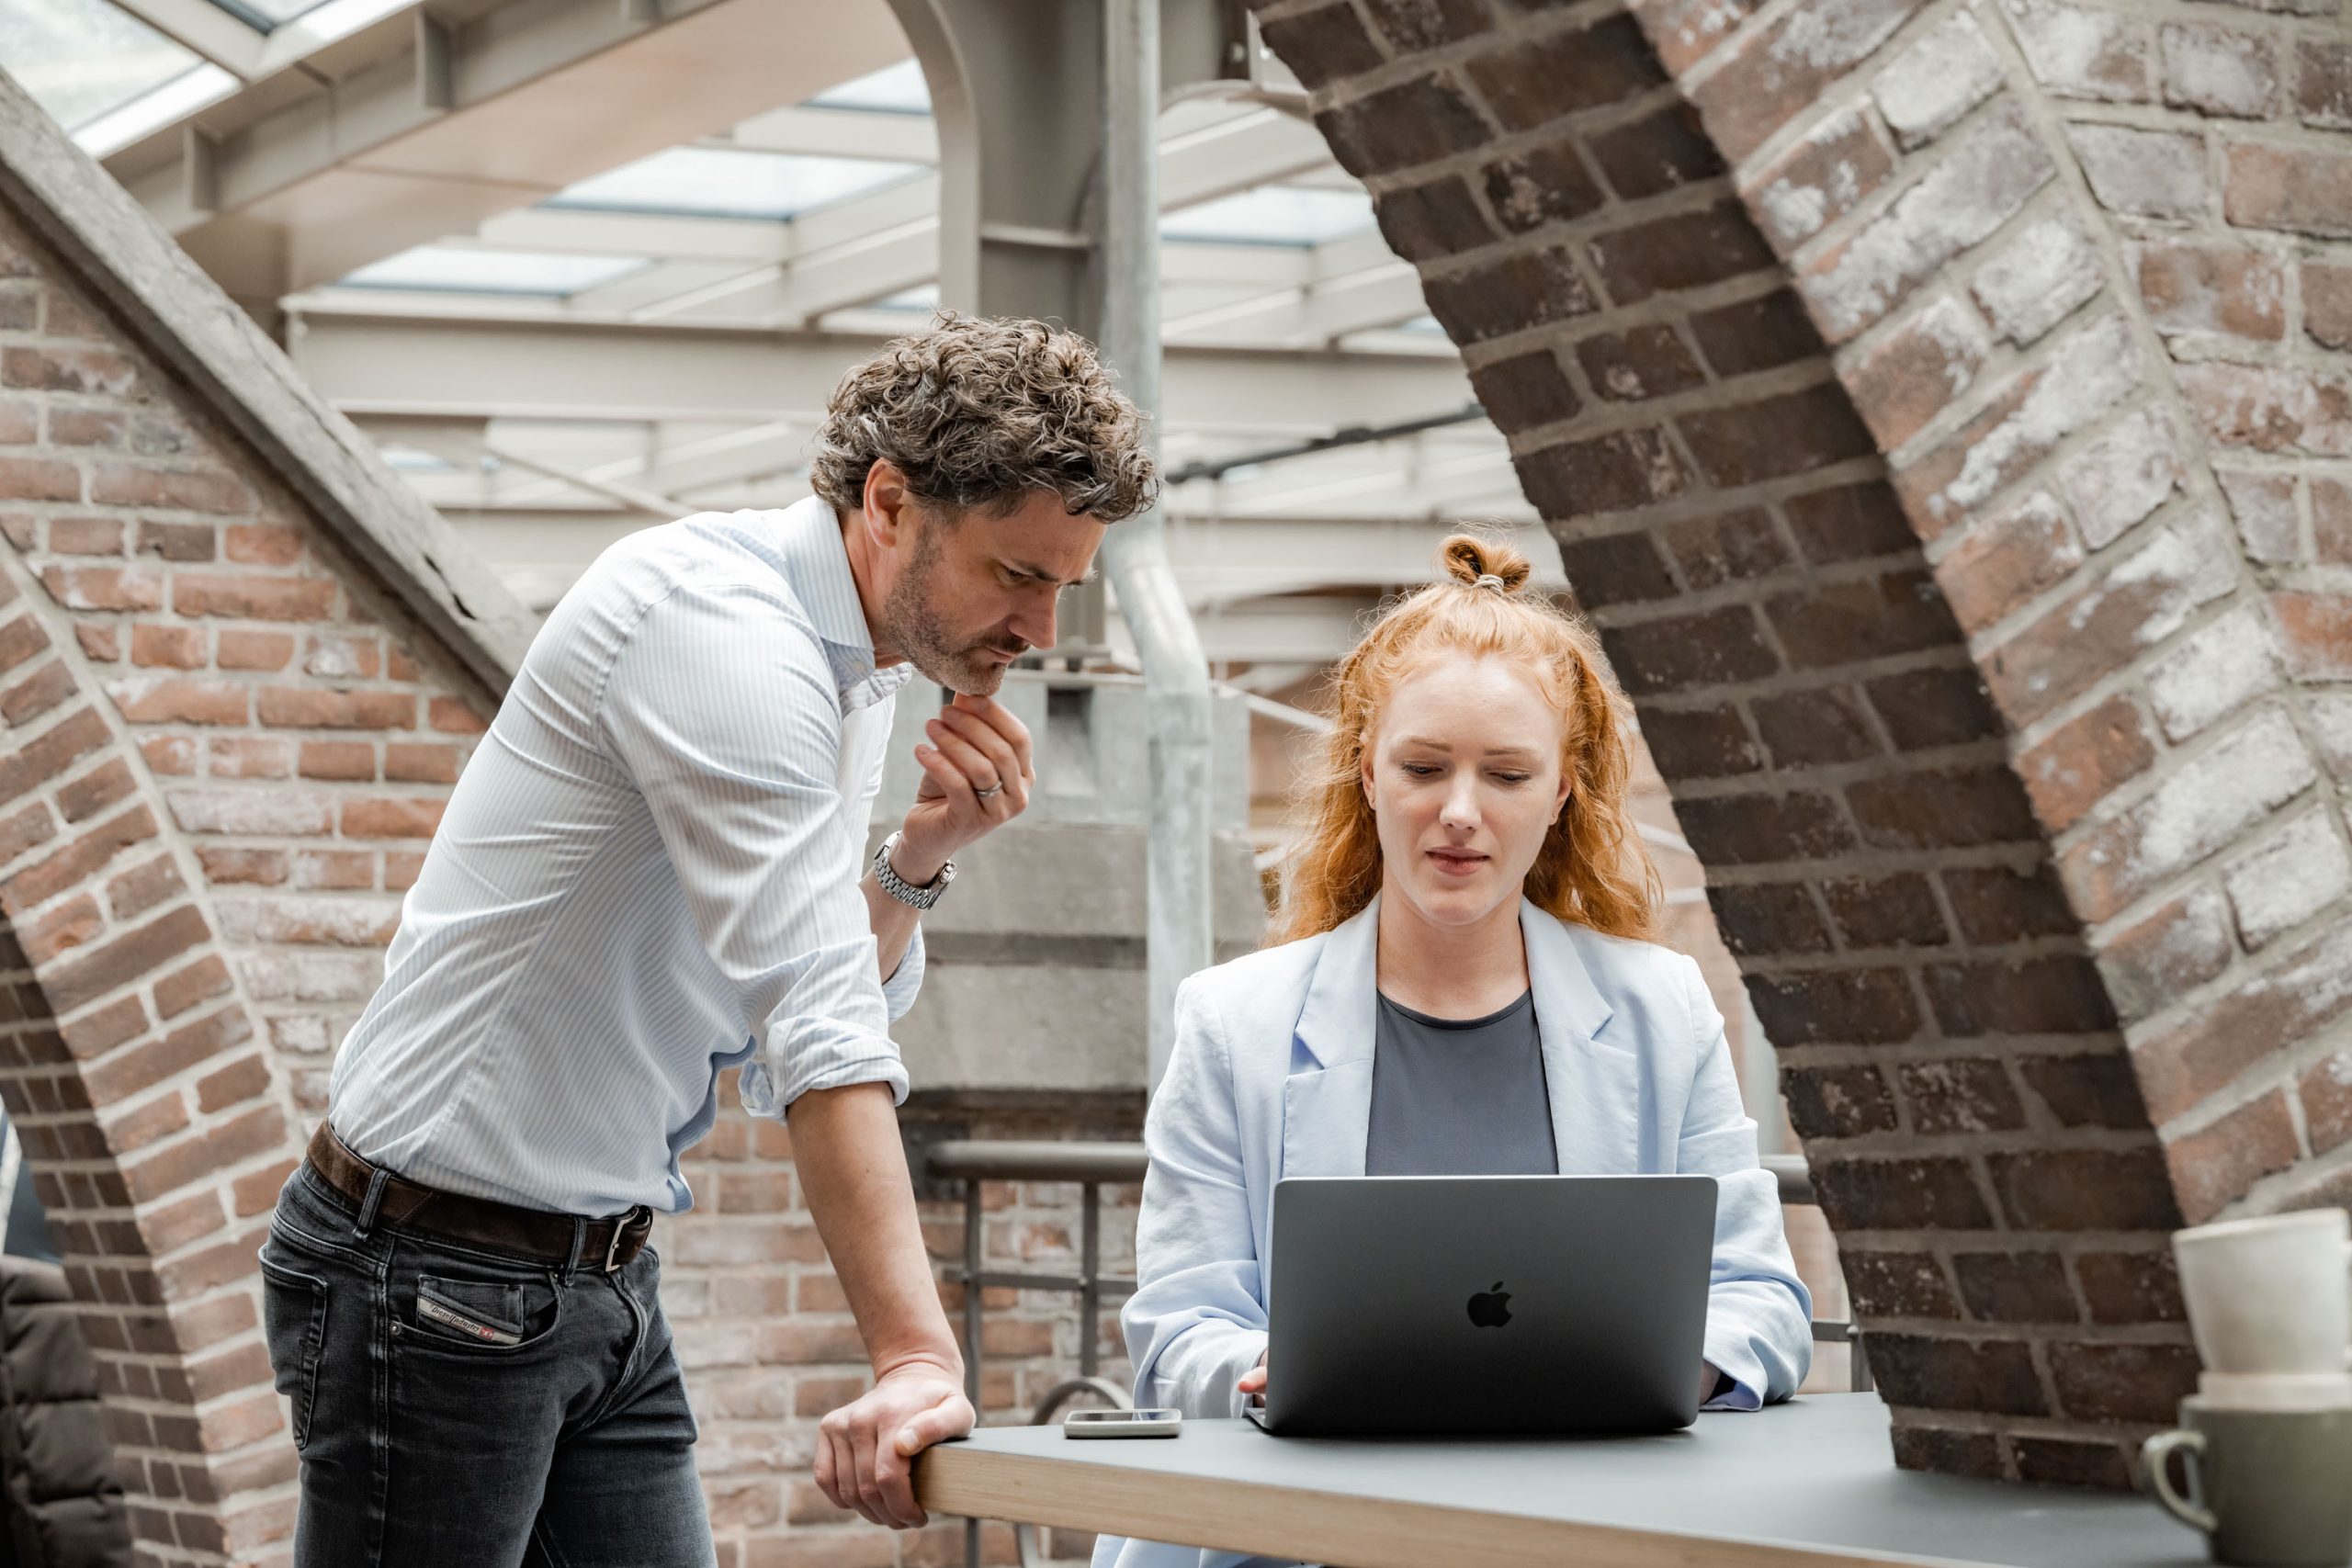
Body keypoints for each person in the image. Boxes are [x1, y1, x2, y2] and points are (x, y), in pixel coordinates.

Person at [260, 314, 1155, 1566]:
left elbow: (818, 970)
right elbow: (816, 1028)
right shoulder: (727, 637)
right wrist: (913, 1353)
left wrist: (917, 859)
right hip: (438, 1267)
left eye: (1064, 581)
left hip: (601, 1270)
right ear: (889, 500)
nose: (1043, 627)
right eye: (1017, 573)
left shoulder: (861, 658)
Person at [1094, 535, 1812, 1568]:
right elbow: (1175, 1333)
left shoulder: (1662, 1009)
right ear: (1367, 772)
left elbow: (1760, 1302)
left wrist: (1669, 1369)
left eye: (1508, 773)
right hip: (1295, 1546)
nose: (1460, 814)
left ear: (1563, 790)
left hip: (1577, 1538)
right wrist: (1266, 1366)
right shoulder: (1231, 1021)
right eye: (1423, 767)